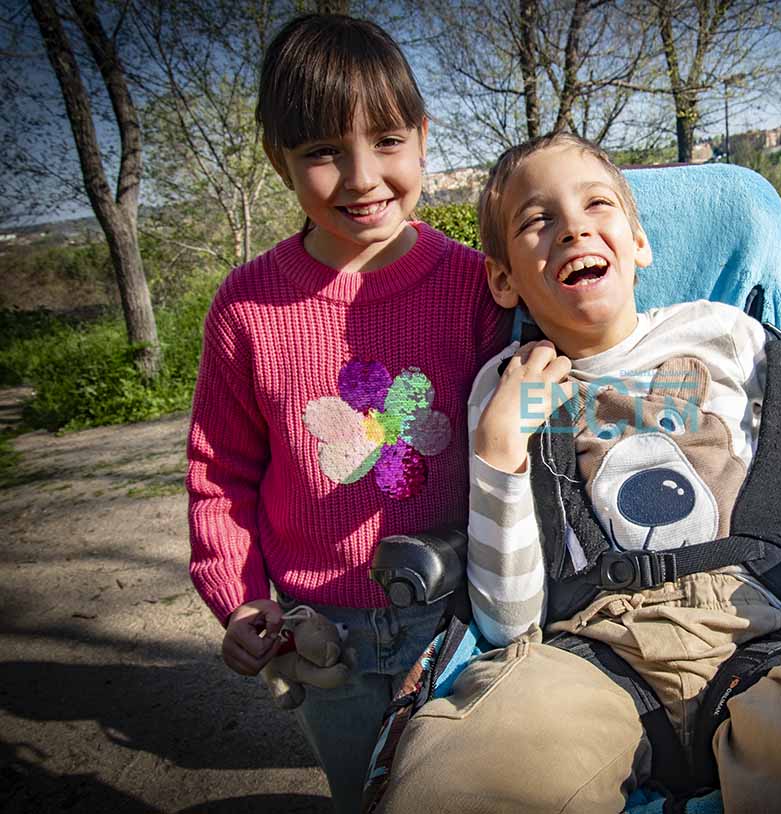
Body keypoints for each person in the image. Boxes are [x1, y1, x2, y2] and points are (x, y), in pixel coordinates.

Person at [376, 133, 781, 813]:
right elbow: (509, 623)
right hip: (585, 651)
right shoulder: (510, 388)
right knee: (450, 786)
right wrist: (498, 451)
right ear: (503, 278)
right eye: (536, 219)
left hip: (760, 637)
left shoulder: (726, 336)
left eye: (595, 205)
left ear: (638, 243)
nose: (573, 226)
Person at [184, 14, 510, 814]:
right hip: (322, 630)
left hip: (466, 611)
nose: (363, 177)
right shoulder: (247, 306)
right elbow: (220, 471)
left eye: (388, 141)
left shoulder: (476, 284)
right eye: (323, 152)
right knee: (367, 795)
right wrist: (241, 595)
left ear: (424, 138)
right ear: (278, 160)